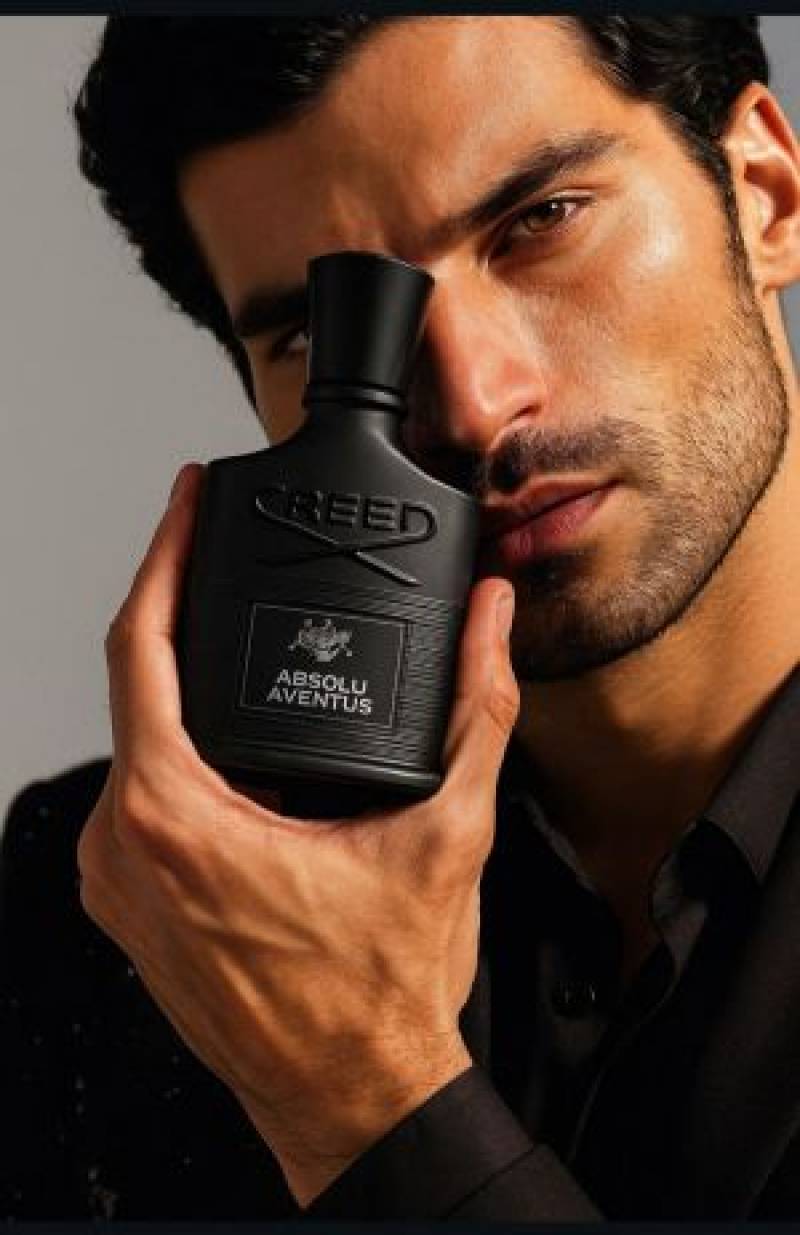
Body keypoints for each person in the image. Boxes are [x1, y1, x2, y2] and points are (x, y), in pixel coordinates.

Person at [3, 14, 800, 1221]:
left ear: (763, 194)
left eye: (538, 221)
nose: (470, 404)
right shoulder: (136, 906)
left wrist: (361, 1098)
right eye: (325, 333)